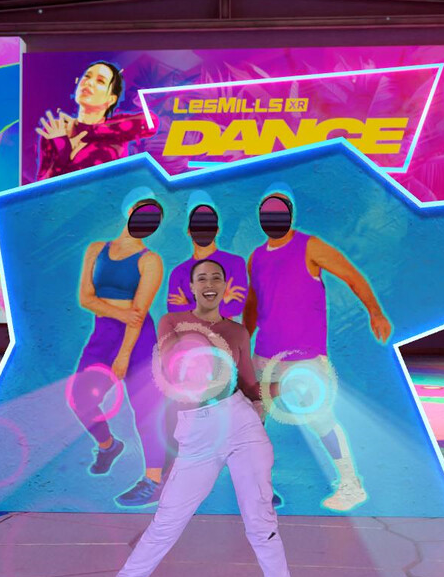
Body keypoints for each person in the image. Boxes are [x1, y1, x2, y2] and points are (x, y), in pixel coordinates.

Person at [83, 258, 304, 577]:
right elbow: (178, 362)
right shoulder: (173, 323)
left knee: (260, 519)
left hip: (240, 423)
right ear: (191, 287)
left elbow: (248, 386)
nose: (209, 283)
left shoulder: (237, 331)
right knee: (166, 522)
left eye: (216, 278)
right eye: (202, 278)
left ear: (225, 286)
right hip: (197, 430)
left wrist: (280, 389)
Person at [244, 185, 391, 512]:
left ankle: (351, 485)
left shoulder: (310, 246)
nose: (272, 218)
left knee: (320, 419)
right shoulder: (256, 256)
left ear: (290, 215)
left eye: (278, 212)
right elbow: (253, 304)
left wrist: (375, 312)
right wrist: (243, 339)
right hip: (265, 355)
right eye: (266, 213)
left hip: (305, 359)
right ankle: (257, 487)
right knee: (251, 419)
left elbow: (352, 276)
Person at [68, 188, 168, 506]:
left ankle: (154, 480)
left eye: (154, 218)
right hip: (104, 334)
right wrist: (120, 313)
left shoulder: (151, 260)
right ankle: (109, 446)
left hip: (139, 340)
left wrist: (124, 354)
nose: (148, 220)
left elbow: (138, 313)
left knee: (146, 408)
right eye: (144, 212)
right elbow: (85, 298)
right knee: (80, 397)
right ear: (130, 210)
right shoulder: (96, 249)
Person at [34, 61, 155, 179]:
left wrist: (87, 131)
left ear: (111, 99)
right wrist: (62, 151)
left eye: (100, 81)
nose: (89, 82)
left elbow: (150, 122)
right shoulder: (56, 129)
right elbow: (42, 186)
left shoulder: (116, 128)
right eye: (87, 76)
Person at [164, 191, 248, 320]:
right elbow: (175, 312)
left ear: (217, 230)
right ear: (189, 231)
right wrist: (221, 302)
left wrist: (188, 306)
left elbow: (235, 307)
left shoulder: (235, 263)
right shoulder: (178, 272)